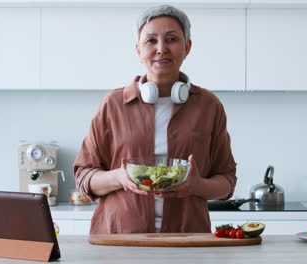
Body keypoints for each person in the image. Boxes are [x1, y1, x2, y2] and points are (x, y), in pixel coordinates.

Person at [73, 5, 236, 234]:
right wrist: (120, 177)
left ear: (187, 47)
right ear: (138, 49)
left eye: (171, 39)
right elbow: (84, 178)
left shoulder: (208, 106)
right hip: (120, 241)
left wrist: (196, 185)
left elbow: (226, 182)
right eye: (151, 41)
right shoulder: (112, 104)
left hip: (188, 240)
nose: (162, 49)